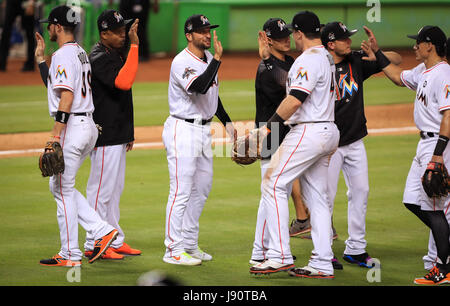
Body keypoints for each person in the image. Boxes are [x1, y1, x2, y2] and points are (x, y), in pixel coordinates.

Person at [249, 11, 340, 278]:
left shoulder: (308, 60)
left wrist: (268, 128)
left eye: (293, 32)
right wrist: (267, 60)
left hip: (309, 131)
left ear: (299, 33)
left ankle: (278, 255)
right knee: (318, 198)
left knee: (273, 182)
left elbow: (295, 100)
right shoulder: (326, 56)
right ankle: (322, 261)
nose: (291, 37)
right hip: (328, 131)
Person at [366, 25, 450, 285]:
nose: (414, 47)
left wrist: (437, 156)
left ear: (430, 46)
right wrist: (378, 53)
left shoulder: (444, 73)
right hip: (424, 146)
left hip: (438, 146)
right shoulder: (423, 70)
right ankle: (445, 241)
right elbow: (397, 76)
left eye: (418, 43)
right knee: (412, 200)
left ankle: (443, 269)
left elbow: (449, 115)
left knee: (435, 209)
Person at [35, 5, 118, 267]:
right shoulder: (80, 51)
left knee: (61, 188)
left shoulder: (61, 55)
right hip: (88, 127)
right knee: (62, 187)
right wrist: (40, 60)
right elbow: (58, 88)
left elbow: (67, 97)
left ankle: (83, 244)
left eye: (50, 24)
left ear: (58, 27)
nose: (48, 28)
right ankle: (78, 246)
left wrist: (55, 135)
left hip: (73, 127)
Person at [321, 21, 402, 269]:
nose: (350, 42)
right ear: (331, 44)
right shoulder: (319, 67)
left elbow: (396, 59)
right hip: (329, 144)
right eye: (345, 39)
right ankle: (323, 252)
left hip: (355, 141)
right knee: (326, 198)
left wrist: (376, 52)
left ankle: (356, 248)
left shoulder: (356, 61)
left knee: (361, 192)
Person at [162, 14, 235, 265]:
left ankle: (189, 244)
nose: (207, 34)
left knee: (201, 189)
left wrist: (229, 125)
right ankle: (173, 249)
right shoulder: (181, 61)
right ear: (189, 35)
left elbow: (213, 98)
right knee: (181, 191)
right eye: (202, 31)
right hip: (182, 129)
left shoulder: (210, 59)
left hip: (204, 130)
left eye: (209, 29)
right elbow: (200, 87)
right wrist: (219, 60)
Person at [249, 17, 311, 266]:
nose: (287, 39)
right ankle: (260, 251)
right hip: (270, 135)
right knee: (272, 195)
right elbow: (285, 89)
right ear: (268, 39)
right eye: (280, 36)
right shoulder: (266, 68)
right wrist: (265, 58)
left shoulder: (290, 61)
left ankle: (266, 248)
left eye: (288, 34)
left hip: (285, 135)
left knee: (278, 194)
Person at [82, 10, 142, 260]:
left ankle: (114, 239)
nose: (123, 36)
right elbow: (125, 82)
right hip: (105, 134)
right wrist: (136, 46)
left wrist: (128, 132)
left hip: (118, 132)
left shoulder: (112, 53)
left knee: (114, 190)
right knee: (100, 191)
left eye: (123, 31)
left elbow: (122, 98)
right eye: (118, 32)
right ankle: (93, 242)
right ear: (104, 33)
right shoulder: (98, 57)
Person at [0, 0, 36, 71]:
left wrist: (31, 3)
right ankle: (1, 62)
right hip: (12, 2)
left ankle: (30, 64)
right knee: (5, 32)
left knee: (29, 34)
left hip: (26, 2)